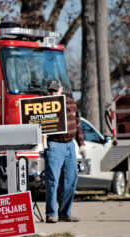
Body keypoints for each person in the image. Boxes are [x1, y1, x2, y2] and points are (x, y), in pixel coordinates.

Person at [44, 79, 86, 223]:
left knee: (71, 179)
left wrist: (81, 144)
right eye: (50, 90)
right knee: (52, 180)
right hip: (54, 145)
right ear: (47, 90)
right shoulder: (43, 104)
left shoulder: (71, 101)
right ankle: (51, 213)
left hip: (70, 145)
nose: (53, 93)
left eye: (55, 90)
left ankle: (64, 213)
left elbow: (78, 123)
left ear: (61, 89)